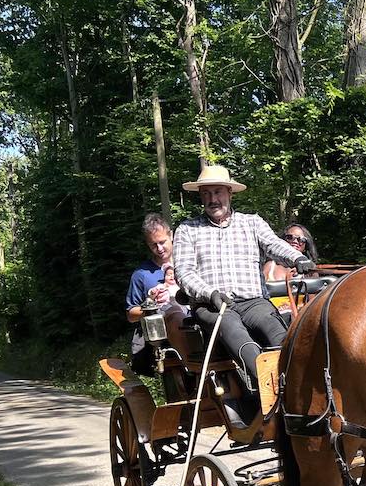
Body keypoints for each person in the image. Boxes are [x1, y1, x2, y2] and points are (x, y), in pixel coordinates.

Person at [172, 164, 315, 403]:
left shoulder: (252, 223)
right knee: (236, 334)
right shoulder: (188, 229)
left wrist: (297, 258)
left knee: (278, 333)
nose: (212, 199)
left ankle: (300, 387)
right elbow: (184, 273)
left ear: (230, 192)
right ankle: (272, 393)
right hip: (213, 306)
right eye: (206, 193)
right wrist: (210, 293)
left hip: (254, 302)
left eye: (217, 192)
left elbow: (274, 245)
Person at [126, 213, 178, 375]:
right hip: (161, 339)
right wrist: (149, 306)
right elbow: (131, 314)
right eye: (153, 245)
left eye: (162, 242)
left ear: (171, 235)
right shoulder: (141, 274)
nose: (159, 249)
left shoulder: (188, 264)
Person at [263, 222, 320, 313]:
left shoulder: (310, 269)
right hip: (272, 316)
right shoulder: (270, 266)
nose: (295, 241)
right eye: (290, 237)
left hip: (299, 318)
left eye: (301, 240)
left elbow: (312, 304)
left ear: (305, 246)